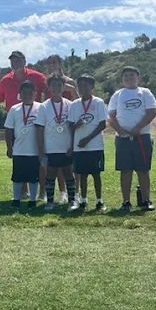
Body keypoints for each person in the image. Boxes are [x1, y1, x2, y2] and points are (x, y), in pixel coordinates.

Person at [107, 66, 156, 212]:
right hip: (123, 139)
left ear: (138, 77)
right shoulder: (117, 95)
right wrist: (121, 131)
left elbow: (152, 112)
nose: (129, 78)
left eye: (132, 75)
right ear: (122, 79)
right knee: (125, 170)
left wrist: (138, 128)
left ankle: (146, 201)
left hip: (142, 137)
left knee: (143, 171)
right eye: (126, 76)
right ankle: (125, 202)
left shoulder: (145, 93)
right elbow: (111, 117)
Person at [35, 74, 76, 211]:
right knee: (50, 175)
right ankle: (50, 202)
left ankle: (71, 201)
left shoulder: (70, 105)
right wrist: (41, 150)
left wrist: (73, 145)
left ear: (64, 87)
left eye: (59, 85)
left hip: (66, 147)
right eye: (53, 85)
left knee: (69, 174)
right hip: (51, 147)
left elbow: (73, 127)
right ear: (49, 87)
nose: (56, 88)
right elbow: (40, 129)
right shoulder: (43, 107)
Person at [67, 75, 107, 212]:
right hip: (79, 148)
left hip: (95, 146)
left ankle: (99, 201)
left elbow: (102, 125)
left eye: (86, 86)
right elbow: (70, 126)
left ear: (92, 87)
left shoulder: (99, 102)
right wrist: (76, 126)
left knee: (96, 175)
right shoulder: (74, 104)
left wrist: (88, 139)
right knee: (82, 175)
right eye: (80, 86)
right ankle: (83, 200)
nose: (83, 89)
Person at [44, 54, 78, 202]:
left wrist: (70, 89)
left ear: (60, 63)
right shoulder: (48, 82)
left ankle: (74, 193)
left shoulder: (69, 81)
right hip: (53, 121)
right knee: (55, 164)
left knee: (69, 165)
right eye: (49, 63)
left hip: (68, 118)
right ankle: (62, 191)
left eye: (54, 62)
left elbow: (78, 100)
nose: (52, 65)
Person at [4, 81, 41, 209]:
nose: (27, 95)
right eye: (24, 93)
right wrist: (9, 147)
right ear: (19, 94)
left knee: (33, 177)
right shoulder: (14, 109)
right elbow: (8, 129)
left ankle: (32, 199)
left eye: (30, 93)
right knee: (17, 177)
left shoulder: (41, 108)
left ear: (35, 94)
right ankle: (16, 199)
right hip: (19, 149)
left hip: (35, 150)